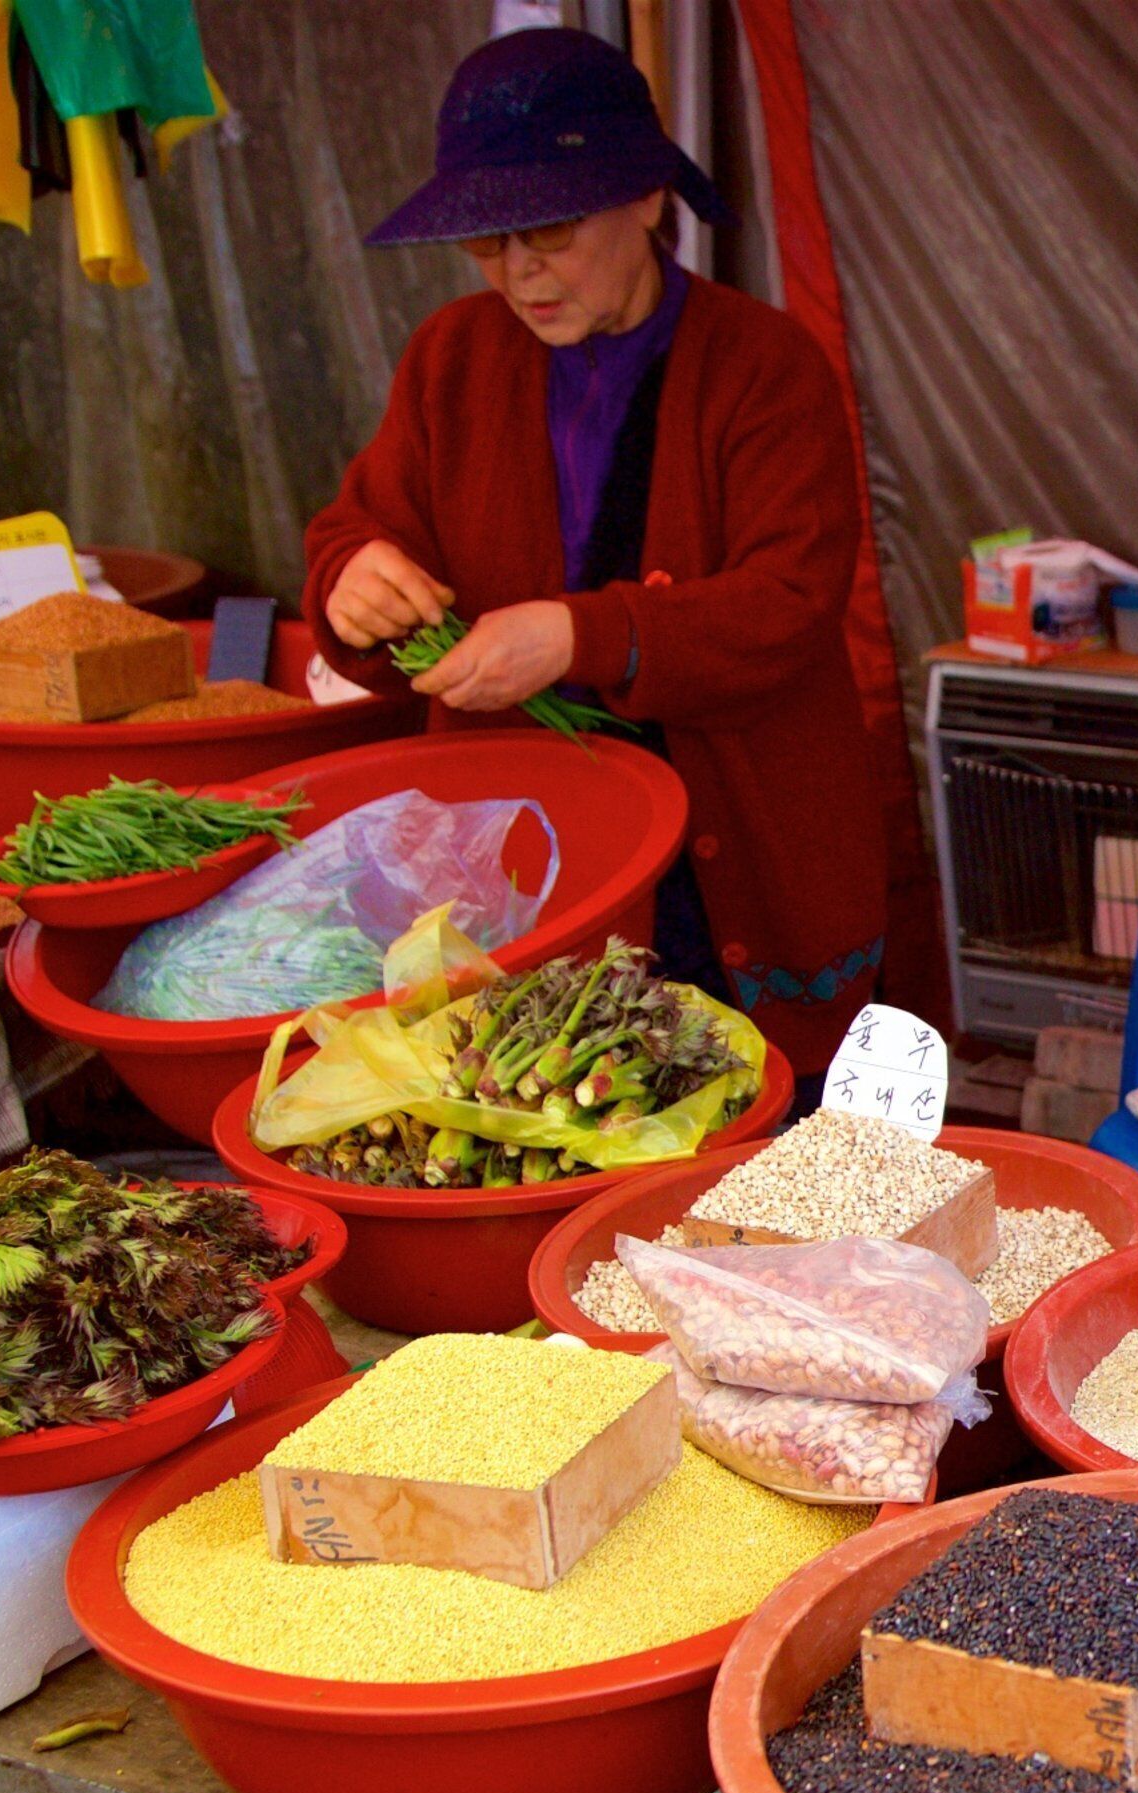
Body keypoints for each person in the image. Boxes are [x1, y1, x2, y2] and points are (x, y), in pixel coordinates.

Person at [307, 27, 884, 1076]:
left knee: (748, 1134)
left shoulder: (763, 367)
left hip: (737, 855)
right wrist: (352, 581)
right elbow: (360, 524)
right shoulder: (451, 359)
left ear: (648, 200)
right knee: (547, 1114)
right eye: (488, 243)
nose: (520, 273)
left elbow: (788, 601)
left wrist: (579, 635)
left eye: (554, 233)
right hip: (529, 858)